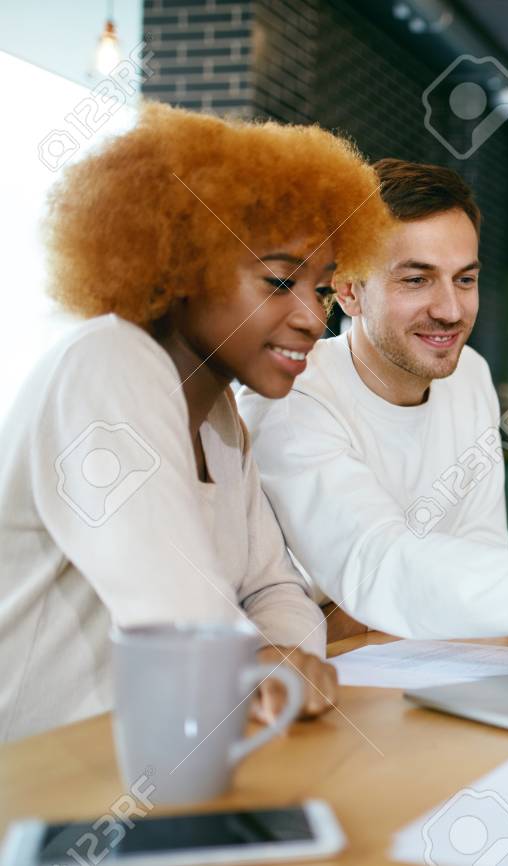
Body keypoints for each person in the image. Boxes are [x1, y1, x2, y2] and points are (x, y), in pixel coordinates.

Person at [0, 104, 393, 742]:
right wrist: (258, 663)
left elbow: (272, 587)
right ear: (186, 268)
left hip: (156, 761)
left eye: (320, 289)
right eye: (277, 281)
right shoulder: (105, 361)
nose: (313, 318)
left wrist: (290, 656)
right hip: (37, 781)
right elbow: (170, 597)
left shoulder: (219, 413)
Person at [238, 160, 508, 642]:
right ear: (348, 291)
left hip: (417, 668)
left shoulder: (470, 375)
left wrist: (380, 609)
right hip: (312, 687)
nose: (449, 311)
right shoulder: (290, 393)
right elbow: (380, 566)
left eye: (464, 279)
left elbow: (479, 558)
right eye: (416, 279)